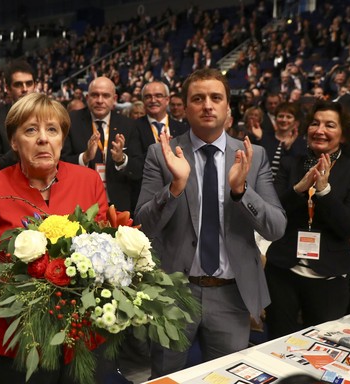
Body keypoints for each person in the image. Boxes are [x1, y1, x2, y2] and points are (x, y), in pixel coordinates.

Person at [135, 68, 286, 378]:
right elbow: (143, 225)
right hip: (174, 292)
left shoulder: (252, 156)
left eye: (216, 98)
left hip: (231, 294)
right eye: (198, 98)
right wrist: (175, 187)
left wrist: (241, 192)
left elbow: (276, 227)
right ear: (184, 107)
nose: (207, 105)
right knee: (166, 375)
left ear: (228, 107)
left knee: (228, 377)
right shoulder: (160, 153)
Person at [0, 93, 112, 383]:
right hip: (16, 346)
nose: (43, 139)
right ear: (14, 142)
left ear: (62, 139)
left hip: (80, 340)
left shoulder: (88, 180)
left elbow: (104, 252)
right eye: (31, 130)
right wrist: (35, 287)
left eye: (52, 130)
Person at [265, 101, 350, 339]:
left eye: (330, 125)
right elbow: (273, 213)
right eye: (315, 123)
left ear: (343, 134)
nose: (320, 130)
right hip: (282, 271)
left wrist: (324, 192)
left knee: (322, 348)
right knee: (277, 341)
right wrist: (299, 189)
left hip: (329, 277)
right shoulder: (290, 163)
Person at [61, 76, 143, 213]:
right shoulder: (71, 122)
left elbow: (138, 168)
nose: (100, 100)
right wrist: (85, 157)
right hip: (79, 203)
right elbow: (60, 163)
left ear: (114, 100)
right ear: (87, 98)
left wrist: (121, 160)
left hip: (117, 204)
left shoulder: (128, 125)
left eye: (105, 96)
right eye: (95, 95)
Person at [0, 60, 37, 170]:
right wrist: (22, 146)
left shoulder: (48, 114)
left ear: (34, 86)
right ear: (7, 88)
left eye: (29, 83)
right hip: (11, 181)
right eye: (18, 84)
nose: (25, 89)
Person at [258, 102, 307, 178]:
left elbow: (297, 170)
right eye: (281, 116)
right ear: (275, 119)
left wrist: (288, 149)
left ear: (296, 122)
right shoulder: (265, 137)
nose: (284, 120)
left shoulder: (301, 143)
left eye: (289, 117)